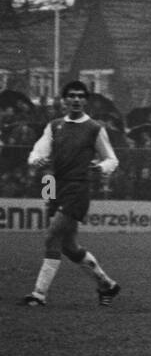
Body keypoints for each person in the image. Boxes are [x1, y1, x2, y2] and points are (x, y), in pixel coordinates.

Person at [17, 80, 122, 307]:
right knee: (69, 246)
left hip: (77, 188)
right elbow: (38, 151)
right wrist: (37, 160)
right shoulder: (54, 126)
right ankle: (107, 285)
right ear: (64, 100)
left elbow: (112, 159)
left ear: (85, 100)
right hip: (53, 186)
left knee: (51, 235)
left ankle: (38, 294)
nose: (76, 99)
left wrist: (102, 167)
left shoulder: (94, 128)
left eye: (80, 96)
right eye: (71, 96)